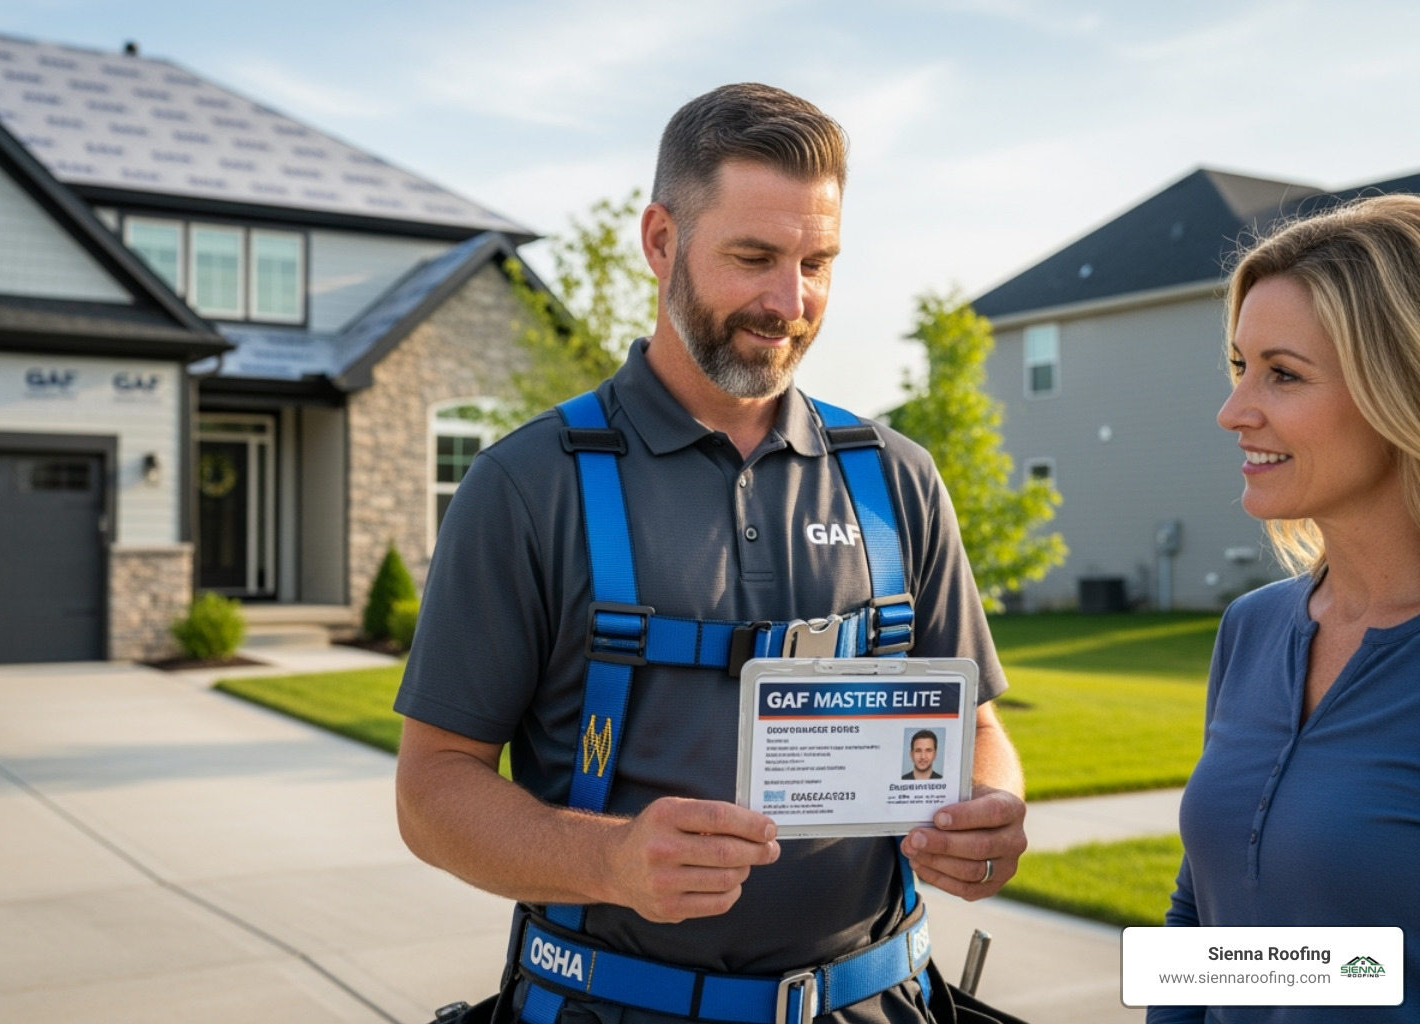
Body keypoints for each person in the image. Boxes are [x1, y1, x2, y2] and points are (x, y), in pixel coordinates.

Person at [396, 83, 1028, 1024]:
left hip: (881, 1003)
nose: (791, 302)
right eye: (755, 257)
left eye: (819, 262)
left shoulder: (895, 479)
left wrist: (985, 813)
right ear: (660, 241)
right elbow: (432, 791)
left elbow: (973, 726)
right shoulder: (528, 485)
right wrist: (608, 859)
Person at [1150, 194, 1420, 1024]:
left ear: (1399, 387)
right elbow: (1203, 923)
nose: (1235, 411)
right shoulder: (1254, 627)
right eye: (1240, 367)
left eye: (1284, 374)